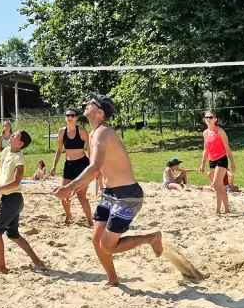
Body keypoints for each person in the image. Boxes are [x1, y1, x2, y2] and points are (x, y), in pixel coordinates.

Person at [54, 93, 163, 287]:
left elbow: (94, 166)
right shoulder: (94, 133)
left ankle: (151, 238)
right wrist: (75, 187)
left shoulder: (103, 132)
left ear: (100, 112)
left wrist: (70, 186)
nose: (86, 103)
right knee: (97, 240)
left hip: (127, 195)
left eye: (91, 103)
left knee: (107, 245)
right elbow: (98, 170)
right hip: (110, 194)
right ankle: (112, 278)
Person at [0, 130, 45, 274]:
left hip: (13, 199)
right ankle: (38, 262)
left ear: (21, 143)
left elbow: (16, 182)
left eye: (15, 135)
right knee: (13, 234)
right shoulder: (6, 151)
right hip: (8, 198)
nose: (11, 135)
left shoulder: (19, 159)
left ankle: (1, 268)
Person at [50, 108, 93, 226]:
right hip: (68, 165)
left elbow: (90, 148)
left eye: (72, 115)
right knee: (63, 193)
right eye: (67, 115)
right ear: (65, 117)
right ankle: (68, 215)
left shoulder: (82, 131)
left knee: (81, 196)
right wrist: (54, 165)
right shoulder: (61, 132)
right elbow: (59, 150)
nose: (70, 117)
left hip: (82, 164)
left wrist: (92, 165)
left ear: (76, 118)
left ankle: (89, 219)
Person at [198, 111, 237, 214]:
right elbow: (205, 150)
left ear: (215, 119)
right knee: (218, 186)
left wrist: (232, 162)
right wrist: (202, 164)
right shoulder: (205, 133)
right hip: (212, 160)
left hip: (221, 159)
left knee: (215, 184)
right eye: (206, 117)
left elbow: (227, 147)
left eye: (210, 117)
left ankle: (224, 208)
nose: (208, 119)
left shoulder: (220, 131)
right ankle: (220, 209)